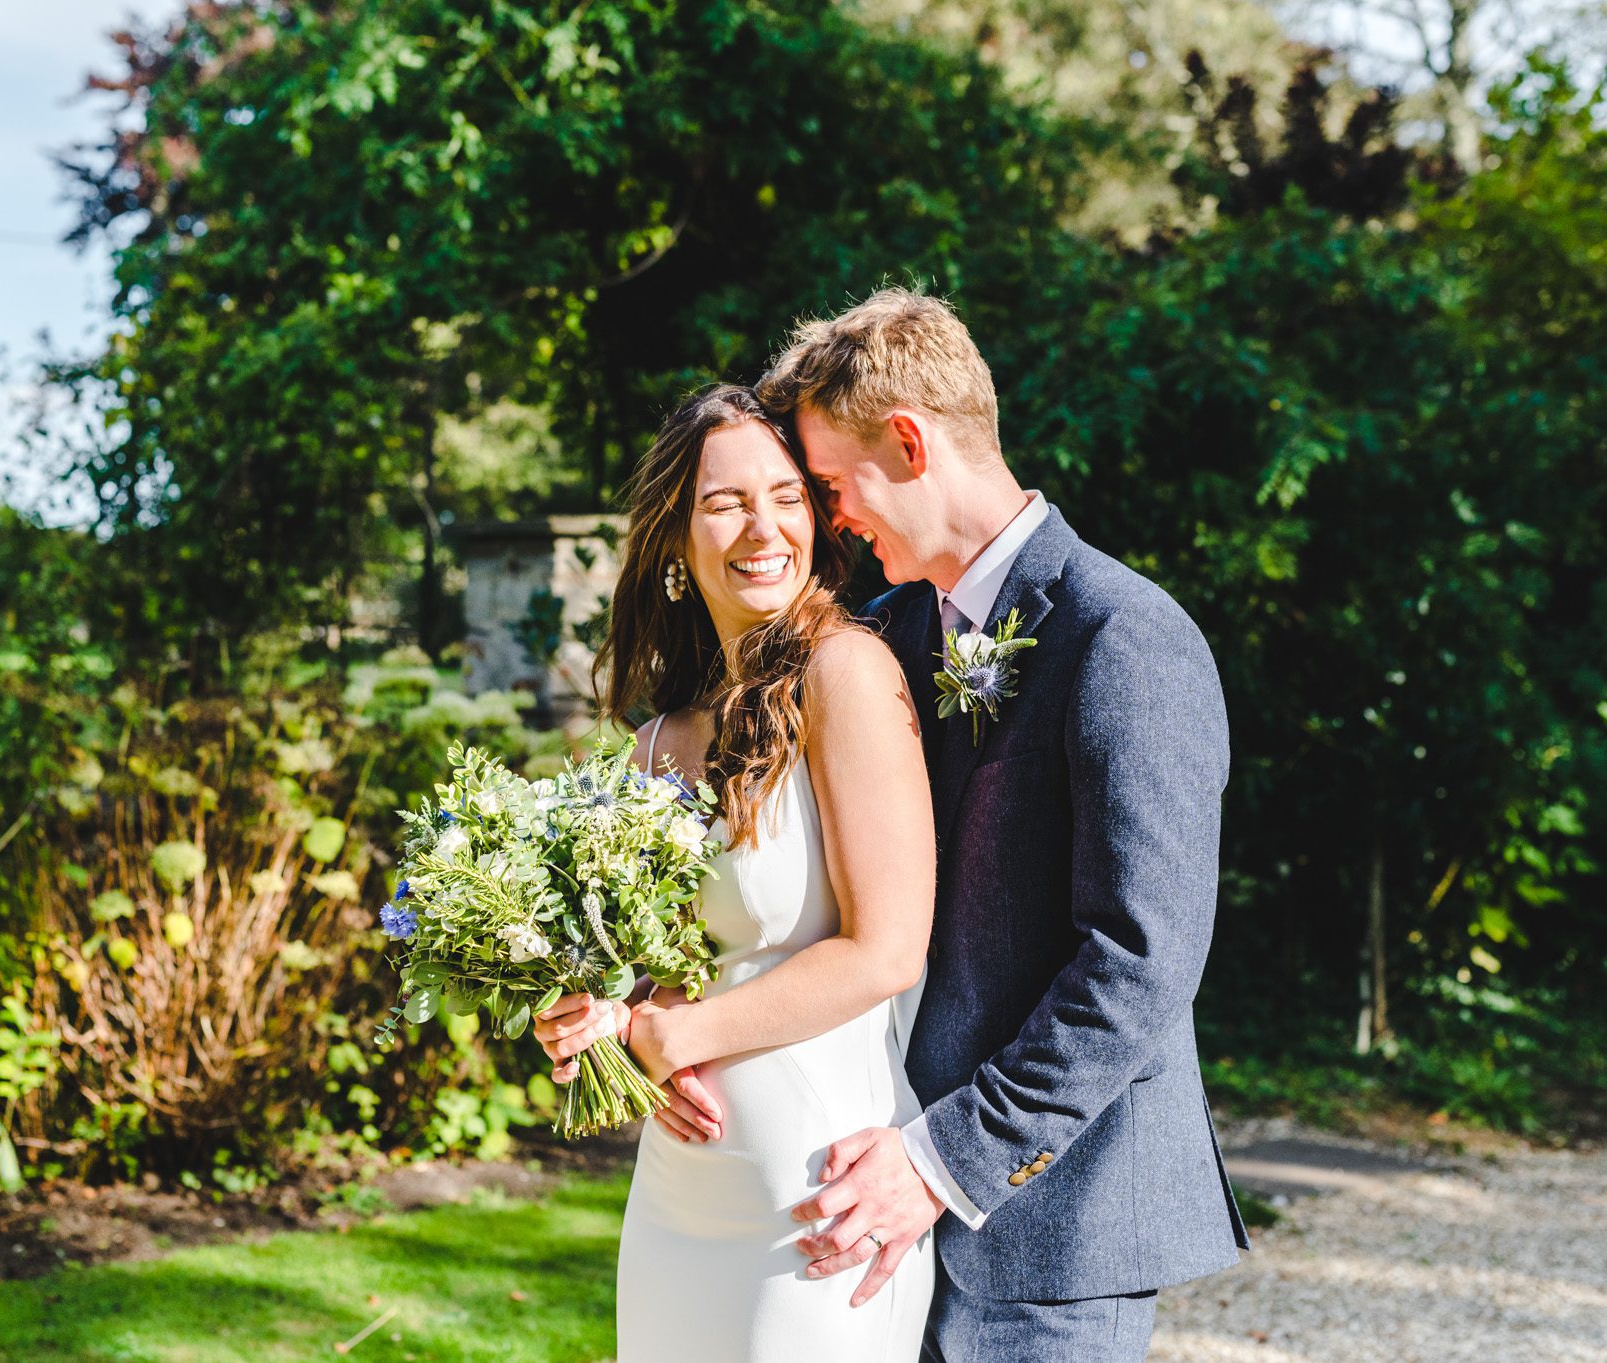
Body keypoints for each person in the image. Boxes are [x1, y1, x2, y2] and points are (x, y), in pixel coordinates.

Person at [751, 287, 1249, 1361]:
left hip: (1051, 1237)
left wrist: (941, 1159)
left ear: (908, 440)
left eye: (834, 485)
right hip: (869, 1204)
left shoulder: (1124, 638)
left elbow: (1140, 957)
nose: (832, 519)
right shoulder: (880, 637)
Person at [535, 383, 939, 1362]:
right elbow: (651, 970)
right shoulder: (655, 745)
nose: (761, 527)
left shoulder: (848, 673)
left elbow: (886, 948)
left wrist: (679, 1033)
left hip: (817, 1202)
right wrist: (602, 1016)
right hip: (677, 1201)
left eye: (784, 496)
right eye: (724, 501)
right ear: (676, 536)